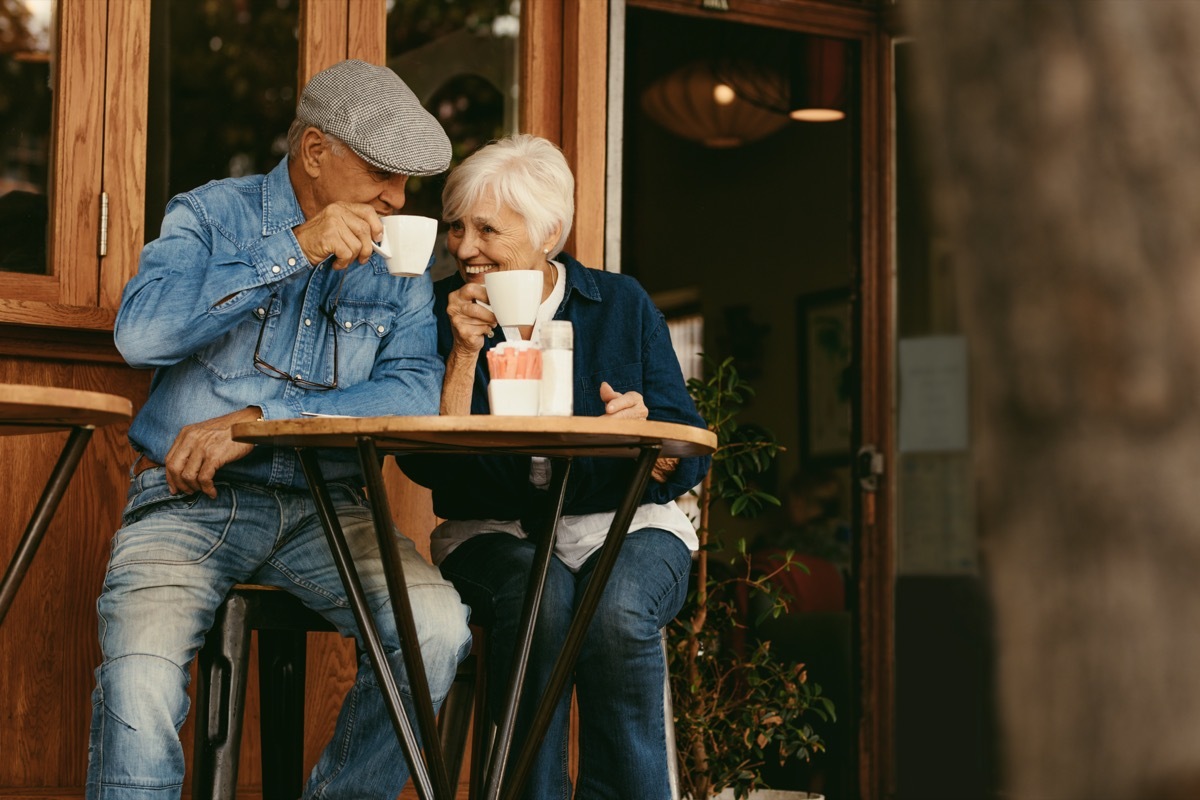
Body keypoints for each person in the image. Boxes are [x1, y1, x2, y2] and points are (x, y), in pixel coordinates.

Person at [86, 60, 471, 800]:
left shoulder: (401, 261)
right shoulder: (210, 214)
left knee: (437, 631)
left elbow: (415, 386)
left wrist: (265, 424)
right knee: (141, 681)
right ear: (316, 153)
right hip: (187, 504)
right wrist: (295, 246)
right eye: (383, 173)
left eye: (407, 182)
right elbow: (141, 336)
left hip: (333, 511)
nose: (397, 198)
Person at [399, 134, 711, 799]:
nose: (462, 246)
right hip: (496, 534)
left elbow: (686, 443)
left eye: (486, 227)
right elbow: (429, 467)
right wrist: (460, 357)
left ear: (547, 233)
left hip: (625, 527)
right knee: (539, 602)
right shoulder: (437, 313)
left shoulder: (619, 305)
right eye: (455, 227)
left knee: (619, 610)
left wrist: (645, 434)